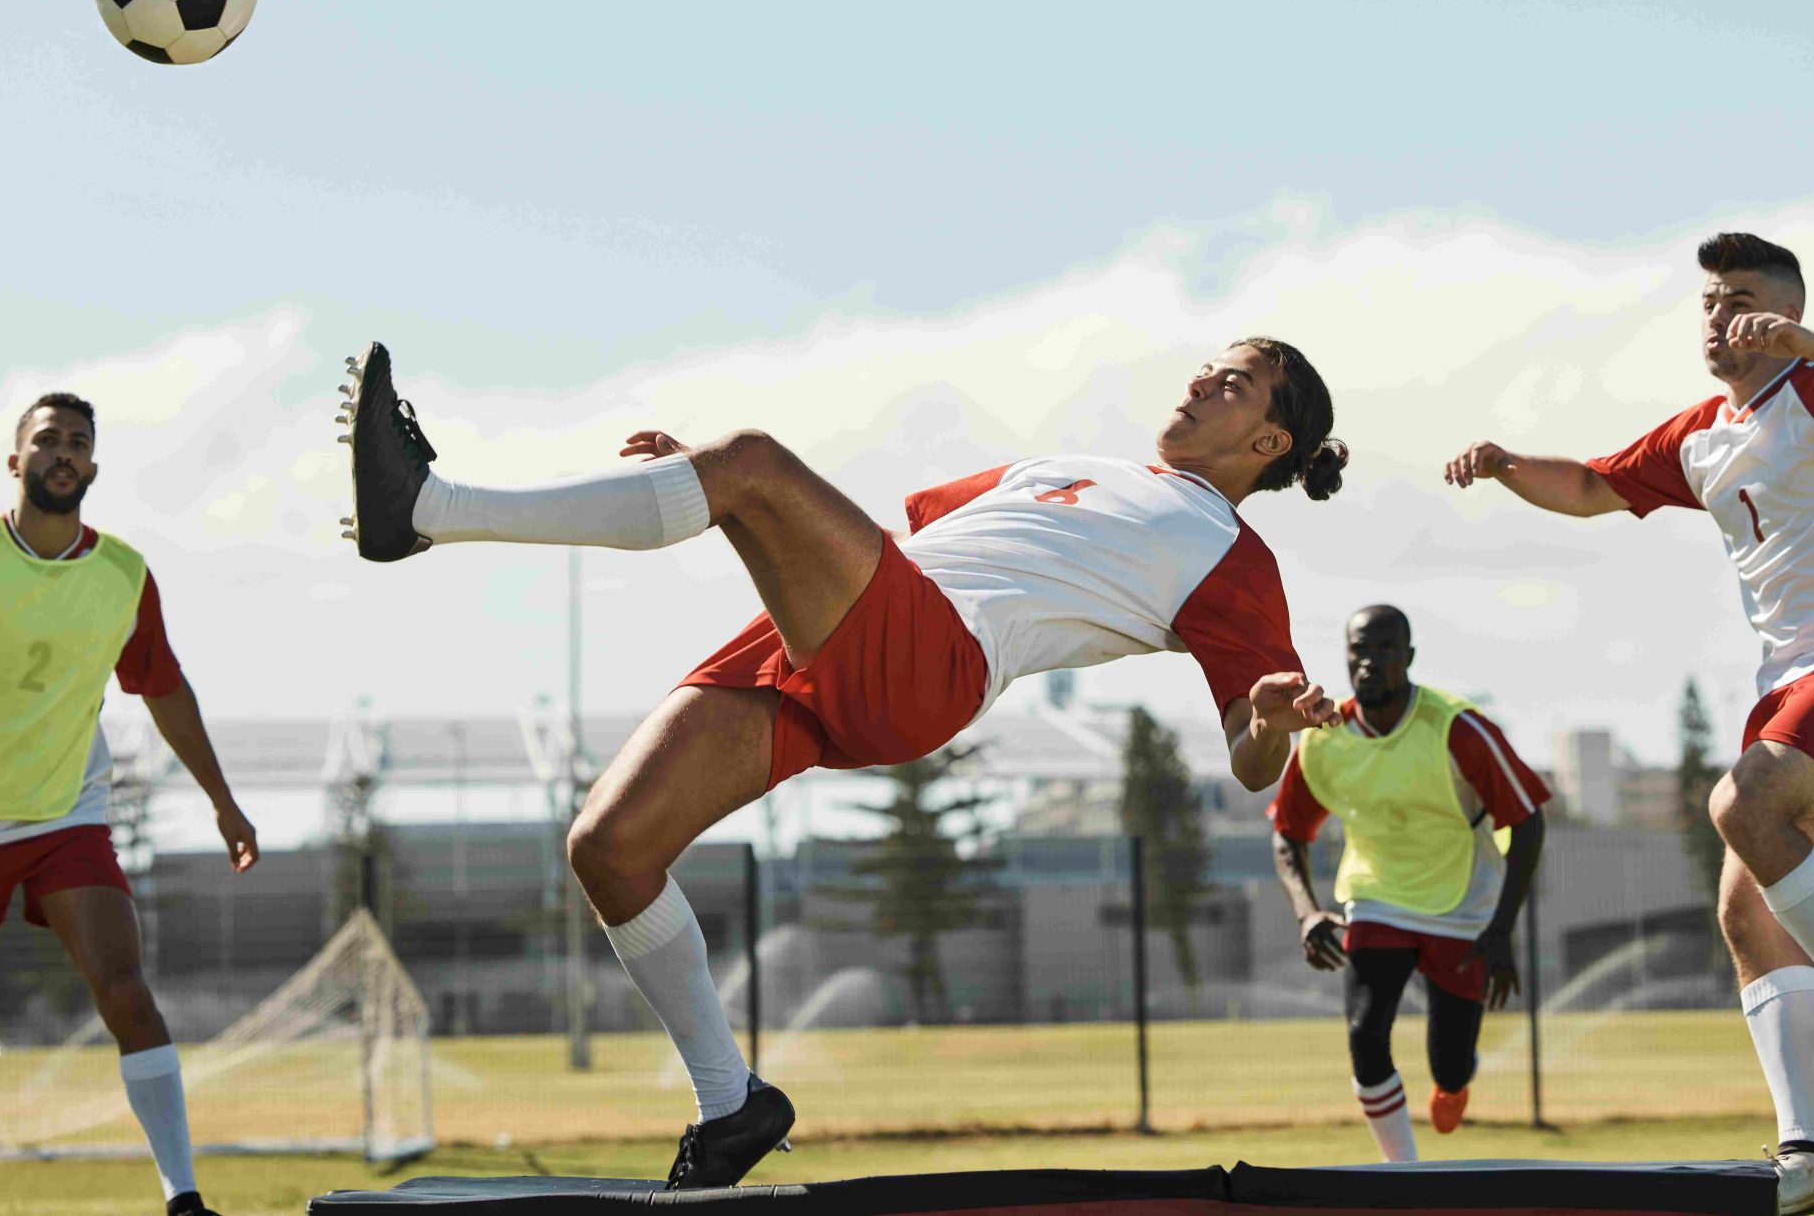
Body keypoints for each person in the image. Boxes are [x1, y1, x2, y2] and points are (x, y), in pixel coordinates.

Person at [342, 337, 1349, 1187]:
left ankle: (425, 507)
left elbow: (1252, 762)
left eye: (1236, 382)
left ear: (1268, 442)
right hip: (851, 626)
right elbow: (884, 543)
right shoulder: (1068, 465)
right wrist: (698, 488)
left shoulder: (1230, 554)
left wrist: (1266, 716)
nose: (1204, 378)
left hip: (927, 666)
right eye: (1212, 364)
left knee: (752, 459)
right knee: (608, 849)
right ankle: (729, 1103)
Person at [1444, 232, 1814, 1216]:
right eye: (1709, 302)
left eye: (1743, 299)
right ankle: (1810, 1150)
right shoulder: (1700, 433)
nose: (1719, 315)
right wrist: (1505, 464)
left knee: (1740, 801)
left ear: (1786, 313)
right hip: (1792, 686)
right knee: (1746, 911)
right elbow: (1590, 487)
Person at [0, 393, 258, 1216]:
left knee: (125, 989)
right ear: (17, 462)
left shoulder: (122, 573)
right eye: (47, 441)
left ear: (95, 467)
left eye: (78, 442)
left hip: (68, 811)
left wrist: (223, 802)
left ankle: (184, 1198)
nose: (63, 453)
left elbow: (165, 688)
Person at [1268, 604, 1548, 1160]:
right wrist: (1308, 913)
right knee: (1365, 1031)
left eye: (1385, 650)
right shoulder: (1323, 738)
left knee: (1449, 1057)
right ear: (1346, 658)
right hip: (1376, 899)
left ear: (1410, 657)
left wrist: (1500, 931)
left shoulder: (1458, 727)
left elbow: (1529, 821)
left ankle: (1453, 1082)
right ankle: (1405, 1176)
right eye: (1359, 651)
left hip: (1464, 904)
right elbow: (1286, 834)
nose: (1370, 662)